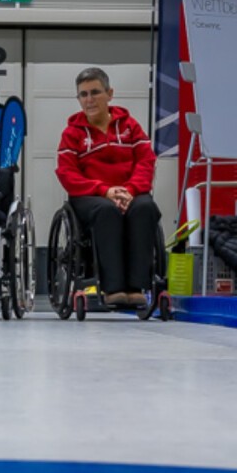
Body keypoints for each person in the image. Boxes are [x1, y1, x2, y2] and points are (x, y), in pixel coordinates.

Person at [54, 67, 160, 307]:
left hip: (129, 191)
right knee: (106, 211)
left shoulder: (130, 126)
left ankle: (136, 287)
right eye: (83, 94)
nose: (89, 100)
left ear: (110, 93)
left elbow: (146, 161)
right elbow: (67, 174)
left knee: (145, 208)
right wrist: (105, 190)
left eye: (95, 92)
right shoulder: (72, 134)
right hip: (91, 196)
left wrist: (131, 190)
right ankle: (113, 288)